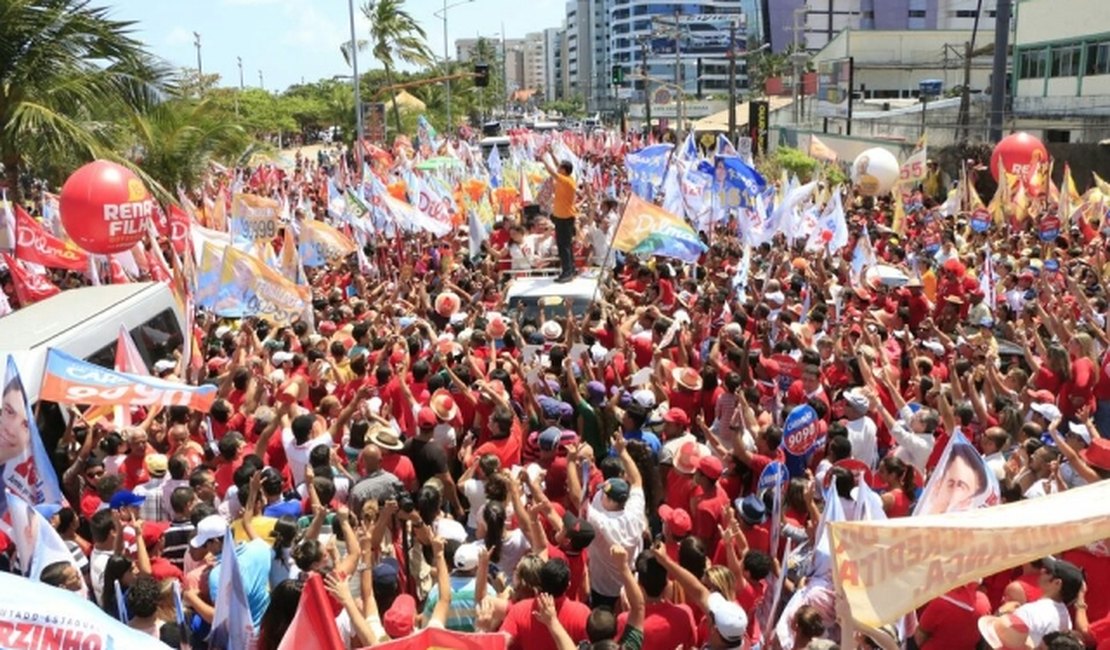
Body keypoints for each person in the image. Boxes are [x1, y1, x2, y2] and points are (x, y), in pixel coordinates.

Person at [540, 153, 578, 283]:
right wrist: (551, 153)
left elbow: (552, 172)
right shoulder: (568, 178)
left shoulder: (566, 181)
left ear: (564, 170)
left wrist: (543, 160)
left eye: (560, 168)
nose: (558, 168)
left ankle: (567, 272)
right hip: (563, 217)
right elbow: (558, 166)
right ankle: (571, 269)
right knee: (566, 245)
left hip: (564, 218)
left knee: (563, 246)